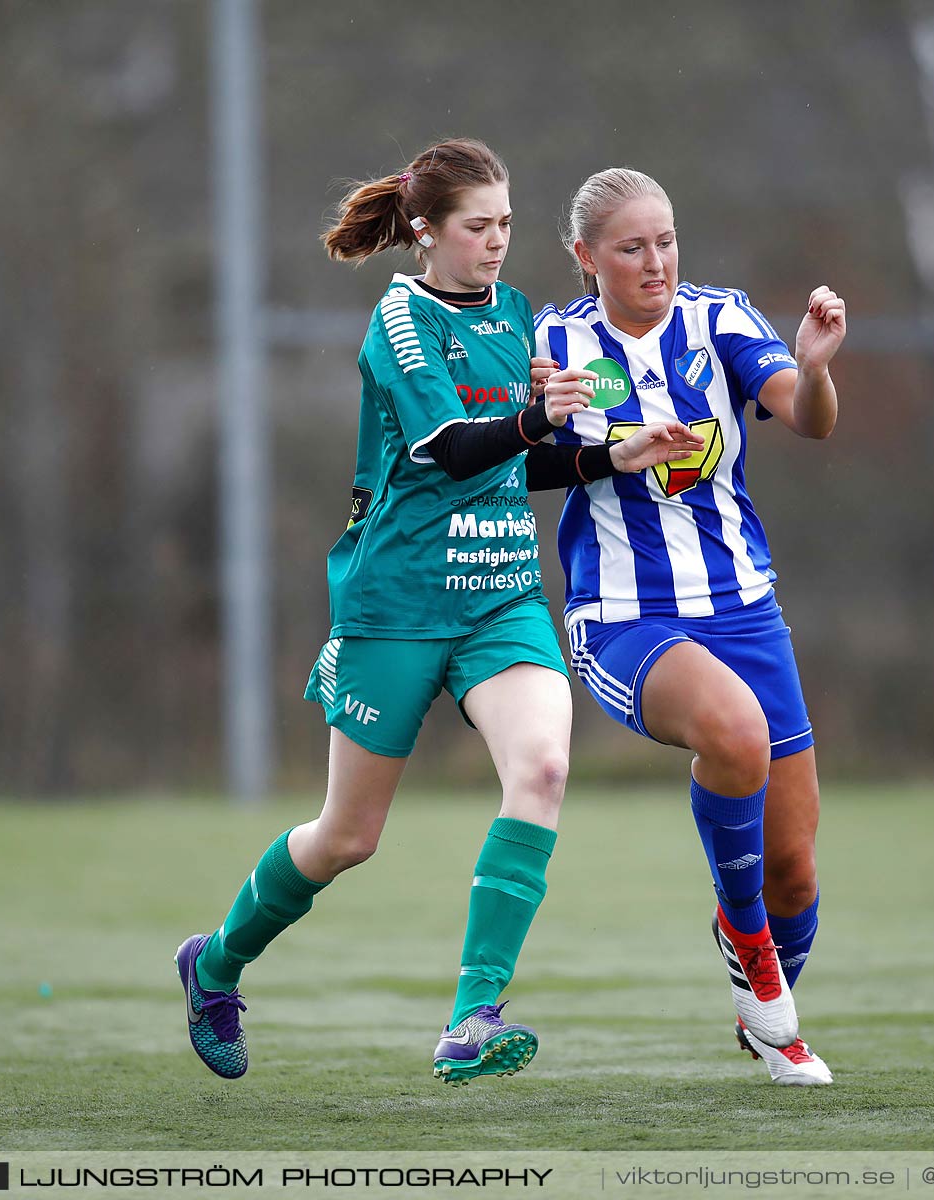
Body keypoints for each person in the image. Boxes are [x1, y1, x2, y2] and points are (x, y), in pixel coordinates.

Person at [174, 139, 700, 1084]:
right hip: (398, 603)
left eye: (505, 224)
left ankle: (472, 1016)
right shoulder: (400, 322)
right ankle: (214, 965)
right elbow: (454, 448)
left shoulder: (513, 313)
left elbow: (518, 461)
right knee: (348, 837)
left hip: (502, 597)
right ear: (426, 231)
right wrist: (542, 419)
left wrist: (606, 456)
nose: (498, 244)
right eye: (478, 227)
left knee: (541, 767)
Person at [533, 168, 846, 1085]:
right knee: (736, 736)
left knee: (793, 876)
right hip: (624, 617)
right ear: (586, 258)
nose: (655, 262)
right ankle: (762, 985)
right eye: (631, 247)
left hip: (745, 609)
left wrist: (817, 369)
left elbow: (810, 420)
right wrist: (572, 438)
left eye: (666, 240)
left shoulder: (722, 320)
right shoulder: (551, 342)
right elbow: (512, 466)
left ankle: (755, 977)